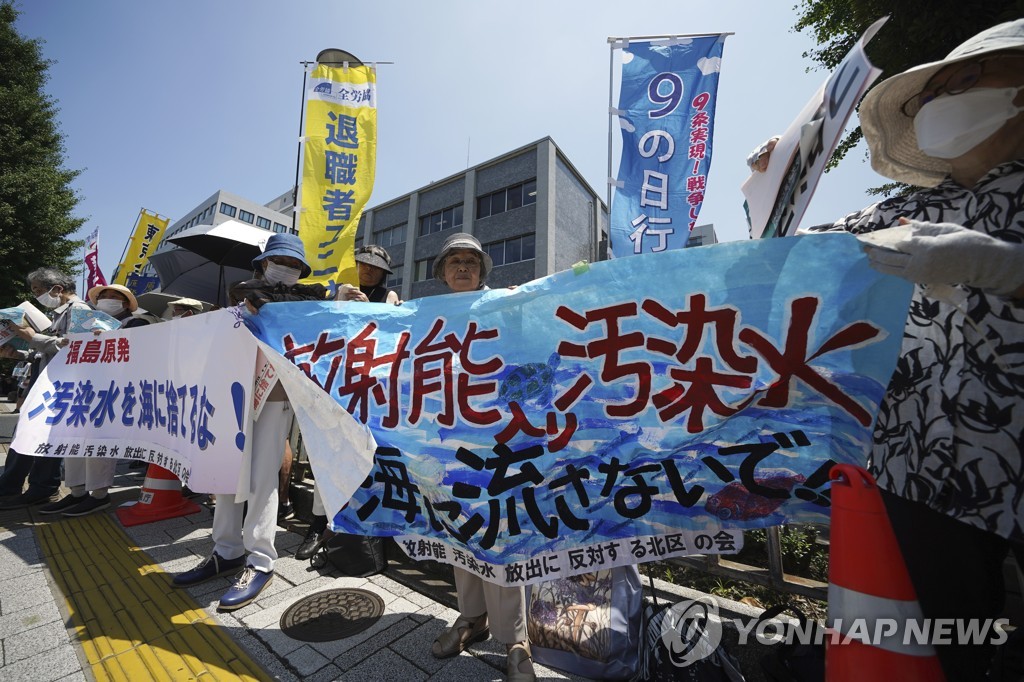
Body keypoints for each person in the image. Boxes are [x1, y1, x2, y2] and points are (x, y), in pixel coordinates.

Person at [753, 20, 1024, 679]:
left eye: (968, 77)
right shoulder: (899, 211)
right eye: (939, 86)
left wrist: (1006, 268)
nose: (946, 97)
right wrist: (770, 189)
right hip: (915, 476)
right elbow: (794, 258)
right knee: (934, 653)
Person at [172, 233, 327, 611]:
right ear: (261, 264)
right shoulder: (238, 302)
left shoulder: (308, 302)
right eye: (279, 262)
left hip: (273, 398)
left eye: (293, 265)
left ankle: (260, 562)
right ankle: (225, 550)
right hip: (229, 395)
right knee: (223, 475)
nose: (285, 270)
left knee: (261, 479)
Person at [425, 232, 535, 682]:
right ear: (442, 272)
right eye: (455, 262)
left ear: (483, 269)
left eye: (472, 260)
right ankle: (470, 618)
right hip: (446, 443)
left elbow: (532, 345)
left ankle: (516, 639)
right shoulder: (426, 314)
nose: (464, 267)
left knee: (501, 532)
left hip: (497, 442)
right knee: (459, 529)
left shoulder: (505, 304)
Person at [294, 244, 404, 561]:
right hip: (338, 387)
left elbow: (394, 339)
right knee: (329, 455)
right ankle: (318, 523)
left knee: (373, 460)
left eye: (374, 266)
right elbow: (321, 332)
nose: (367, 270)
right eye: (363, 264)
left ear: (384, 271)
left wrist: (371, 310)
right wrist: (341, 305)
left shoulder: (391, 298)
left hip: (373, 392)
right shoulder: (339, 291)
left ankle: (370, 531)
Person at [0, 268, 90, 510]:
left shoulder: (80, 311)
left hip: (62, 388)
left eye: (39, 291)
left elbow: (76, 350)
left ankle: (43, 487)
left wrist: (32, 337)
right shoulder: (61, 314)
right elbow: (49, 352)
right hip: (48, 384)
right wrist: (16, 353)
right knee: (26, 434)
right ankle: (11, 486)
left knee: (46, 438)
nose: (37, 296)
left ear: (57, 289)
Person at [335, 244, 401, 304]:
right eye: (363, 263)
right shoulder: (344, 290)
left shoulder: (389, 295)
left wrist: (367, 306)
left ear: (383, 273)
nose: (368, 268)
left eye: (376, 266)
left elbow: (390, 317)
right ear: (357, 265)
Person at [86, 283, 160, 328]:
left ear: (126, 304)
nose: (106, 300)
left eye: (113, 297)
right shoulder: (93, 324)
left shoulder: (137, 324)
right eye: (103, 297)